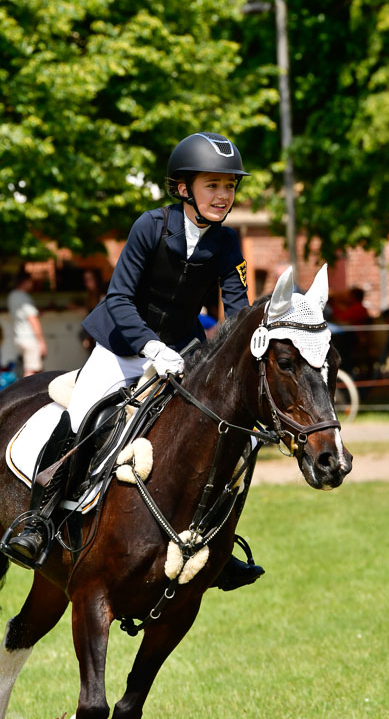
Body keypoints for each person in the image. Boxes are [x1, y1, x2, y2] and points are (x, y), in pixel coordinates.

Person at [6, 132, 264, 589]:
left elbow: (238, 308)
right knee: (84, 415)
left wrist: (246, 345)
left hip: (185, 353)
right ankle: (39, 521)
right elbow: (119, 298)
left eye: (229, 186)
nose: (224, 195)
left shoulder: (227, 243)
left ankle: (216, 540)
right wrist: (150, 347)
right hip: (122, 346)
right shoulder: (150, 226)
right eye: (213, 185)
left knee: (221, 435)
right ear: (184, 187)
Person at [7, 270, 47, 377]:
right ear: (25, 281)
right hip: (29, 338)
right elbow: (33, 319)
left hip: (19, 337)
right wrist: (41, 341)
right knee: (30, 372)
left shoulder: (12, 295)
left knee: (36, 369)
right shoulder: (24, 297)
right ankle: (25, 394)